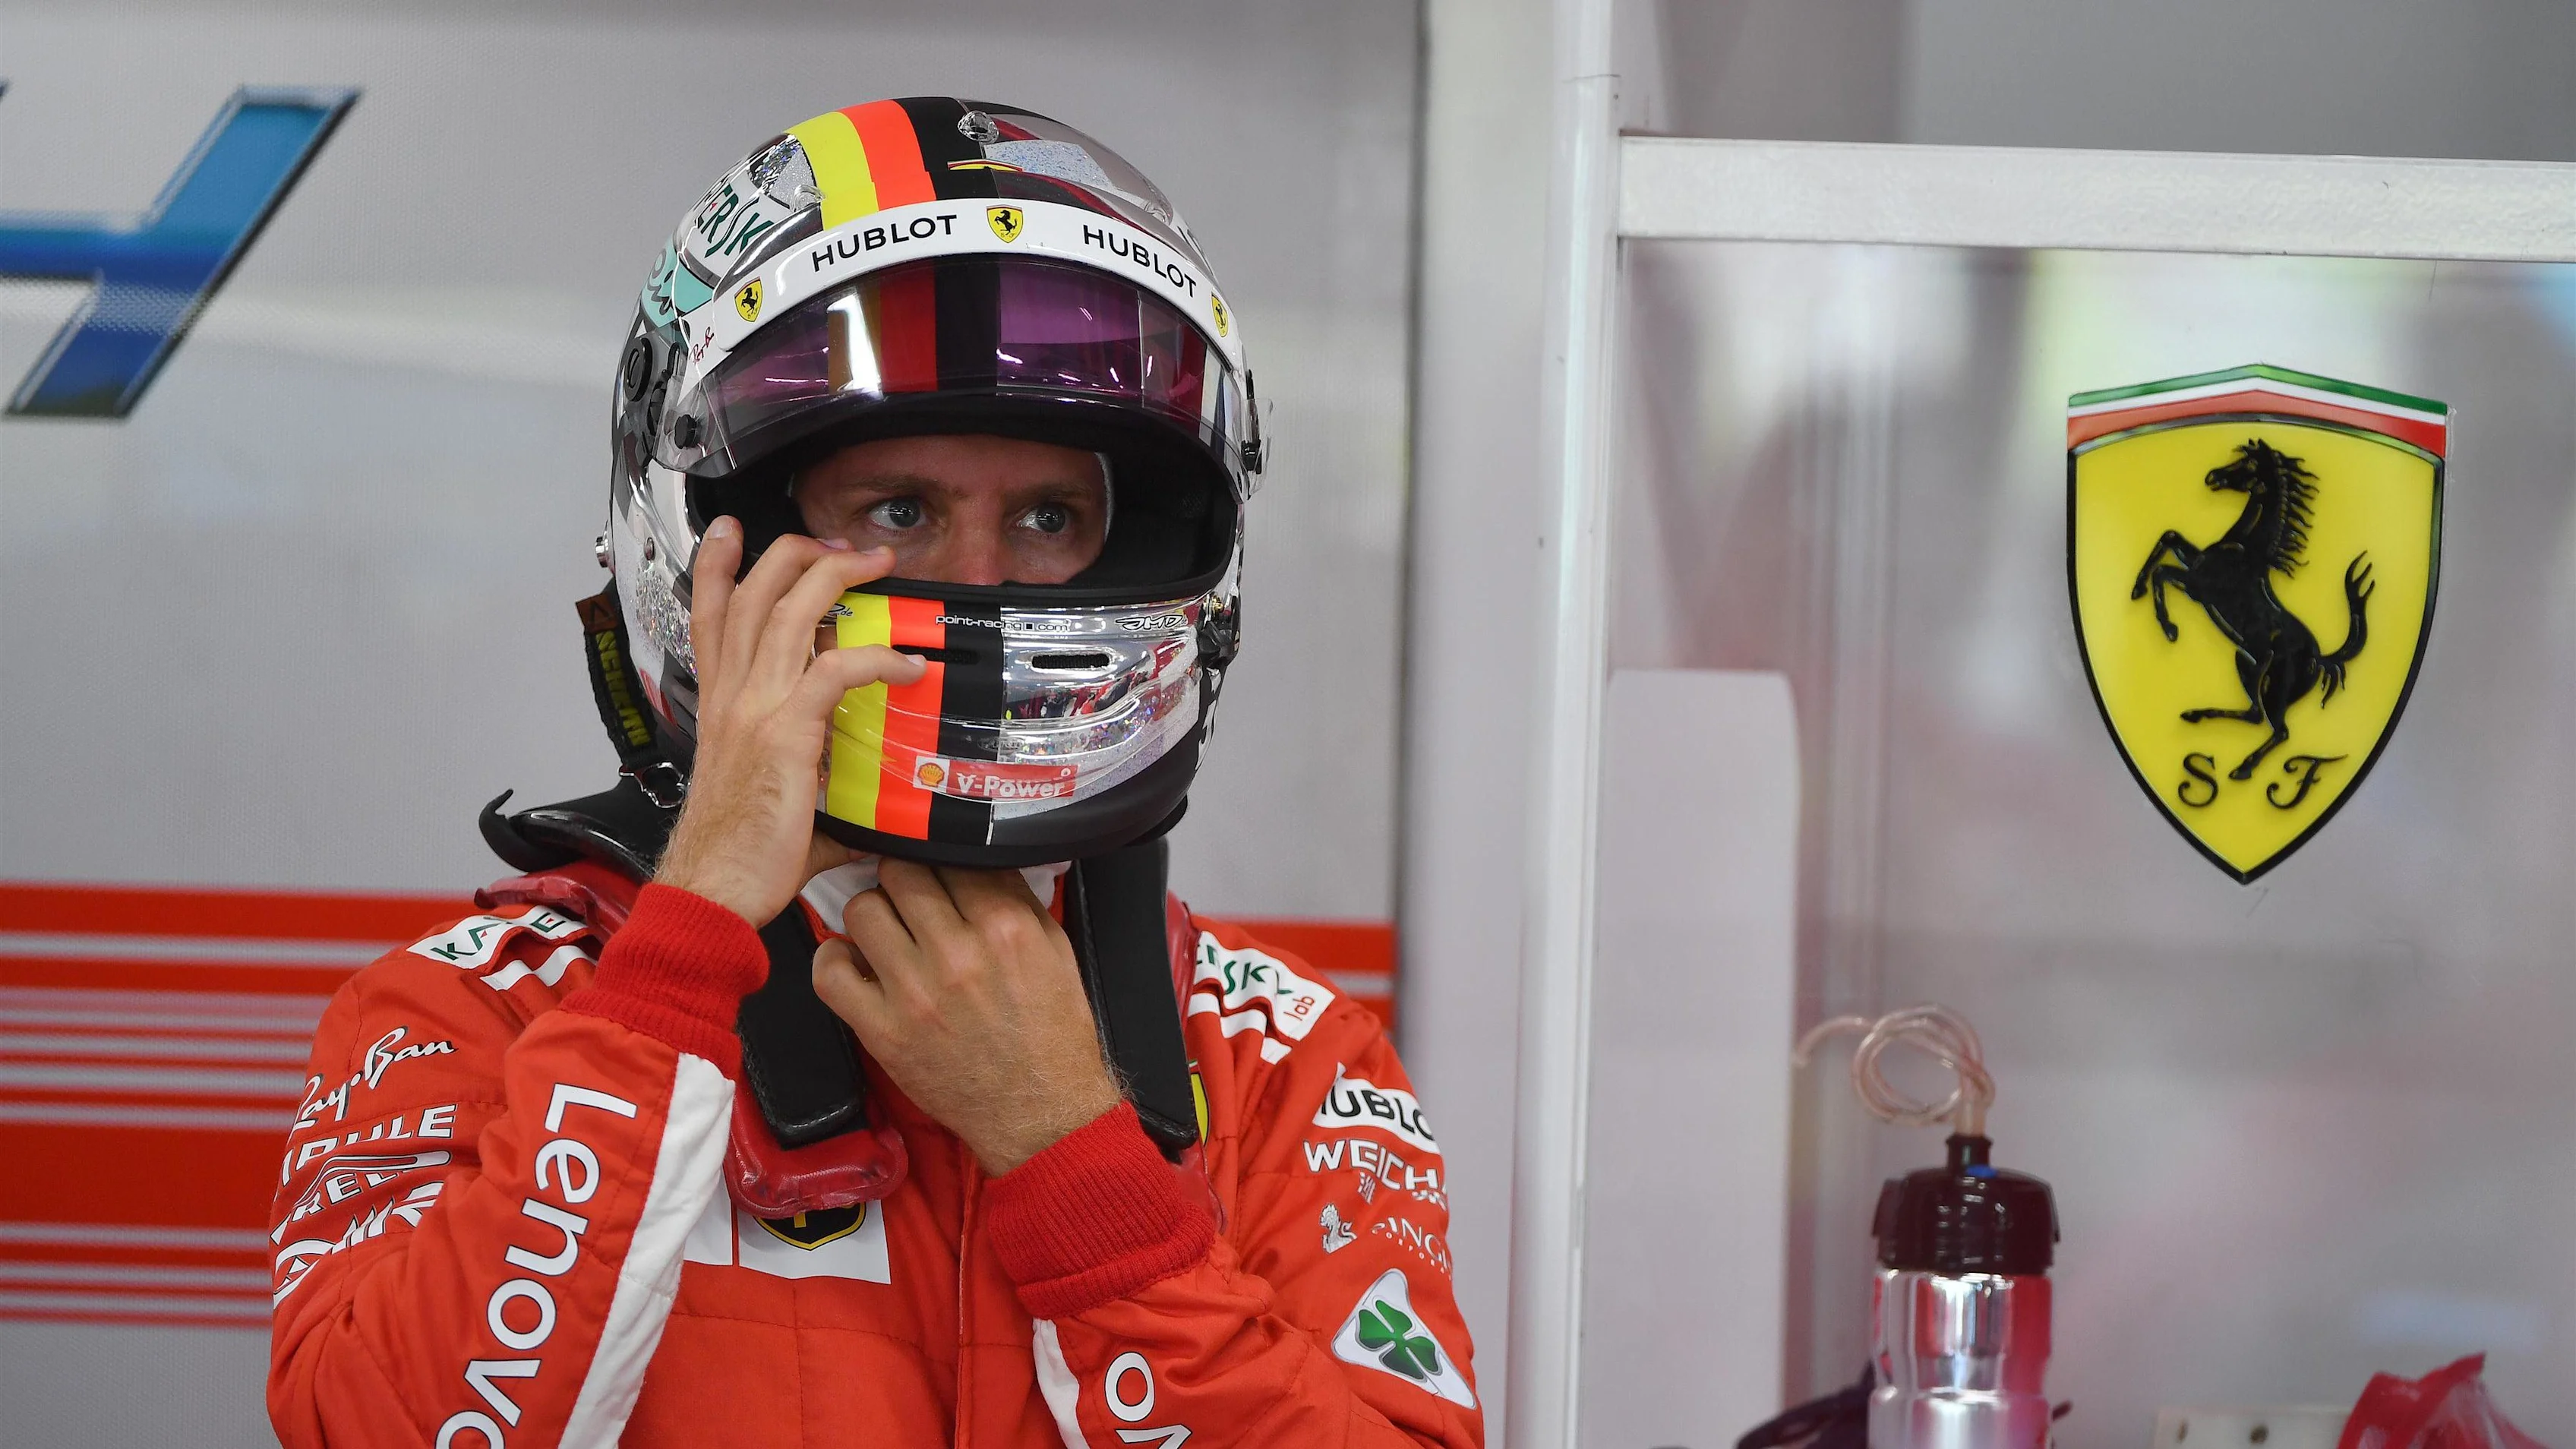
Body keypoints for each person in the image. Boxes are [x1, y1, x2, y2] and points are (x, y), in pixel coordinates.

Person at [266, 97, 1479, 1448]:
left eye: (1048, 517)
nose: (980, 578)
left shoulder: (1279, 1054)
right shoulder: (470, 1014)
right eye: (898, 512)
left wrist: (1069, 1150)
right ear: (715, 545)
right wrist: (683, 951)